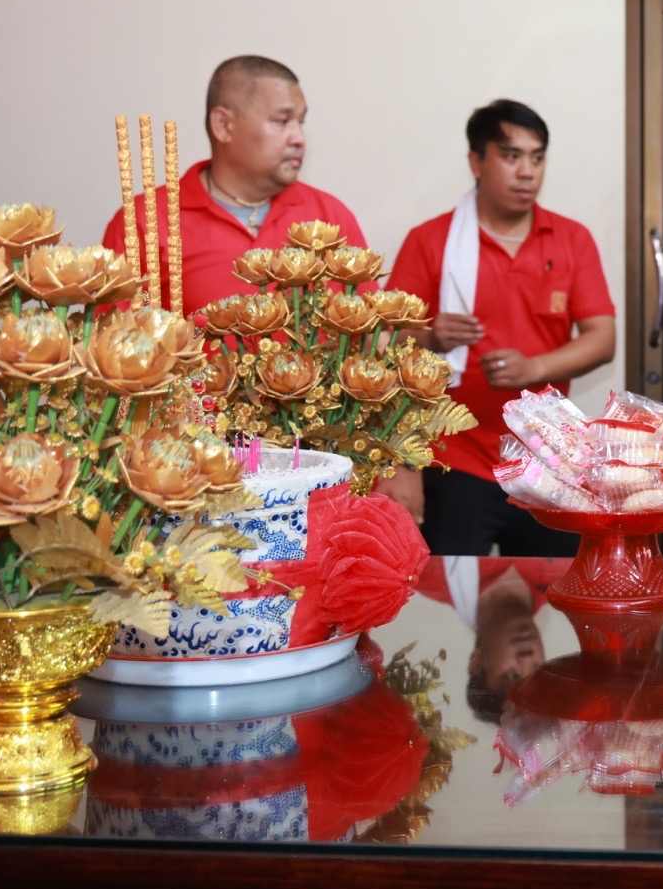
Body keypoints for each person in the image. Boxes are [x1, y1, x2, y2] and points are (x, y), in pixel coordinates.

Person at [390, 101, 616, 556]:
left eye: (537, 157)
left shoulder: (571, 239)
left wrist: (534, 369)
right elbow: (389, 344)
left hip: (546, 461)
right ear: (476, 162)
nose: (527, 172)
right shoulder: (429, 240)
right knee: (447, 591)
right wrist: (433, 338)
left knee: (552, 591)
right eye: (511, 156)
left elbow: (603, 338)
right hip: (454, 460)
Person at [101, 55, 371, 313]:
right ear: (223, 125)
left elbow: (374, 335)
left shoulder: (330, 218)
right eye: (282, 121)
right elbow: (115, 340)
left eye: (301, 122)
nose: (299, 138)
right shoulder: (144, 222)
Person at [413, 556, 567, 723]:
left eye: (511, 676)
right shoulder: (570, 577)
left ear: (477, 662)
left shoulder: (427, 571)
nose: (527, 657)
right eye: (537, 674)